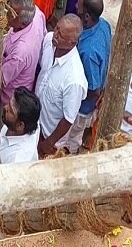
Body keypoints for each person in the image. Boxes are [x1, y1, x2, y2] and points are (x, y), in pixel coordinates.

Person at [65, 0, 111, 153]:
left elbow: (94, 88)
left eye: (79, 4)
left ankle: (71, 155)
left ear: (86, 16)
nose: (76, 5)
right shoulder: (104, 25)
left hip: (82, 107)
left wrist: (74, 100)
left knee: (71, 137)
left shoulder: (88, 51)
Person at [35, 14, 86, 157]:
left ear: (72, 43)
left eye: (61, 35)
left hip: (50, 137)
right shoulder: (49, 40)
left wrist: (48, 143)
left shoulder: (74, 79)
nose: (55, 35)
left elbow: (68, 119)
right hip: (35, 124)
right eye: (57, 29)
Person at [1, 0, 46, 107]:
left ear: (23, 24)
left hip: (9, 98)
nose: (6, 14)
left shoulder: (20, 52)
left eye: (11, 14)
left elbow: (0, 78)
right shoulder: (36, 13)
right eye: (8, 8)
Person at [0, 87, 41, 164]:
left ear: (20, 126)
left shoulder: (16, 160)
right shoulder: (34, 120)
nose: (5, 107)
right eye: (9, 103)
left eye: (11, 111)